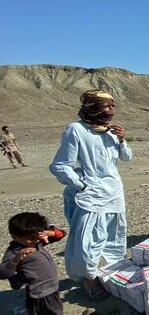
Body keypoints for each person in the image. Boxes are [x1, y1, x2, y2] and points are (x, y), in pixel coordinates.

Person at [49, 89, 132, 300]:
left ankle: (109, 273)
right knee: (88, 241)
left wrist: (122, 140)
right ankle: (89, 280)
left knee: (114, 236)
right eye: (106, 106)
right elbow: (60, 166)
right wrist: (82, 185)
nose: (111, 110)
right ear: (92, 107)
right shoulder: (76, 130)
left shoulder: (110, 131)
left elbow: (127, 158)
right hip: (91, 196)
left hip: (114, 192)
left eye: (113, 105)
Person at [0, 212, 90, 315]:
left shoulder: (36, 239)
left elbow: (61, 234)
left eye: (38, 237)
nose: (36, 241)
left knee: (56, 312)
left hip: (51, 287)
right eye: (31, 239)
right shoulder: (14, 252)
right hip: (39, 292)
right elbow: (3, 272)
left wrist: (49, 233)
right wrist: (16, 260)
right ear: (15, 237)